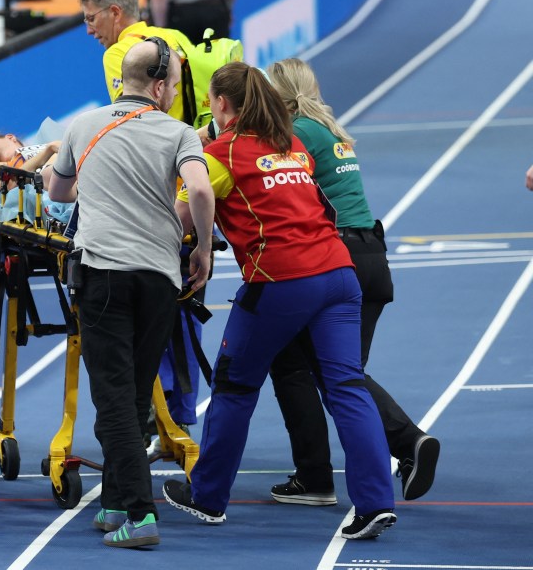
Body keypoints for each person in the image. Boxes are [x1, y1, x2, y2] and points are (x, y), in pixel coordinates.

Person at [164, 61, 397, 540]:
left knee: (235, 385)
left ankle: (208, 497)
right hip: (339, 275)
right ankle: (374, 503)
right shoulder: (290, 146)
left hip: (281, 279)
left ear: (222, 105)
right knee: (346, 386)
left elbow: (184, 210)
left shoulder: (219, 152)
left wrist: (199, 244)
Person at [49, 39, 216, 548]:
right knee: (136, 389)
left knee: (114, 396)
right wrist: (203, 251)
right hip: (160, 278)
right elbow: (202, 191)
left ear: (125, 79)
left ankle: (141, 515)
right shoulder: (180, 131)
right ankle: (117, 500)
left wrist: (97, 189)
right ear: (162, 86)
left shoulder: (82, 126)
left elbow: (59, 194)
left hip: (103, 273)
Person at [264, 57, 440, 506]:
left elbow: (272, 188)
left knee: (329, 371)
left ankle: (394, 448)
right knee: (309, 363)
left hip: (336, 258)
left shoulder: (296, 133)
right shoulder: (331, 130)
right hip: (370, 257)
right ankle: (325, 473)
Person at [80, 0, 193, 123]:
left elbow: (130, 120)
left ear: (115, 12)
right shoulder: (176, 36)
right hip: (193, 140)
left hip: (159, 143)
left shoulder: (117, 53)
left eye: (91, 19)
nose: (89, 30)